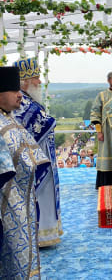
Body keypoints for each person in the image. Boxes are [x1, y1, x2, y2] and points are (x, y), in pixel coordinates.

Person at [0, 66, 50, 279]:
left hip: (21, 199)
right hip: (7, 203)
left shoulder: (8, 117)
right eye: (14, 90)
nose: (20, 94)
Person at [12, 57, 63, 247]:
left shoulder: (28, 100)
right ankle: (41, 236)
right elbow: (42, 124)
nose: (39, 82)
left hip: (43, 159)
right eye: (36, 78)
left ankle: (47, 234)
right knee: (39, 198)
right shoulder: (23, 103)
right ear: (25, 81)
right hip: (35, 162)